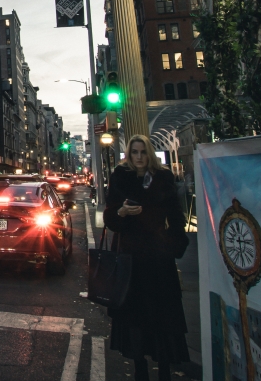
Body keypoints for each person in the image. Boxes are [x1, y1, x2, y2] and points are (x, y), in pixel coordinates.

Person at [103, 134, 190, 381]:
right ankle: (139, 368)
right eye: (134, 152)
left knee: (164, 317)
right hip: (131, 258)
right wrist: (122, 212)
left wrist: (173, 245)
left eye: (143, 152)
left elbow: (176, 216)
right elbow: (110, 218)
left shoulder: (163, 177)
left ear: (149, 153)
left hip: (158, 257)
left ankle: (164, 369)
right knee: (134, 318)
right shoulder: (121, 177)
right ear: (129, 155)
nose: (139, 157)